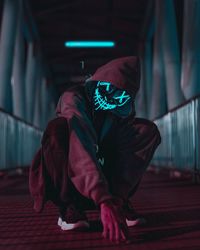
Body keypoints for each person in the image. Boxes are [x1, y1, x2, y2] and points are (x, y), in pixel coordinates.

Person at [29, 56, 161, 243]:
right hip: (74, 176)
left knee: (146, 130)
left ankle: (119, 200)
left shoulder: (122, 111)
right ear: (98, 81)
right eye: (107, 88)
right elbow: (80, 142)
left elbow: (129, 147)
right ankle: (69, 205)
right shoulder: (73, 98)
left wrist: (113, 198)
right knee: (58, 130)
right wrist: (102, 198)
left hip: (102, 177)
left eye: (119, 94)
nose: (111, 97)